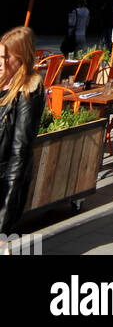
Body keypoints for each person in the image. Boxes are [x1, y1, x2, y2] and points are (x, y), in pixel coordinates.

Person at [0, 27, 45, 238]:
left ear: (21, 58)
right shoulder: (2, 85)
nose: (1, 62)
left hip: (4, 183)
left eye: (6, 57)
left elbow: (20, 152)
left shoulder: (27, 93)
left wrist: (5, 212)